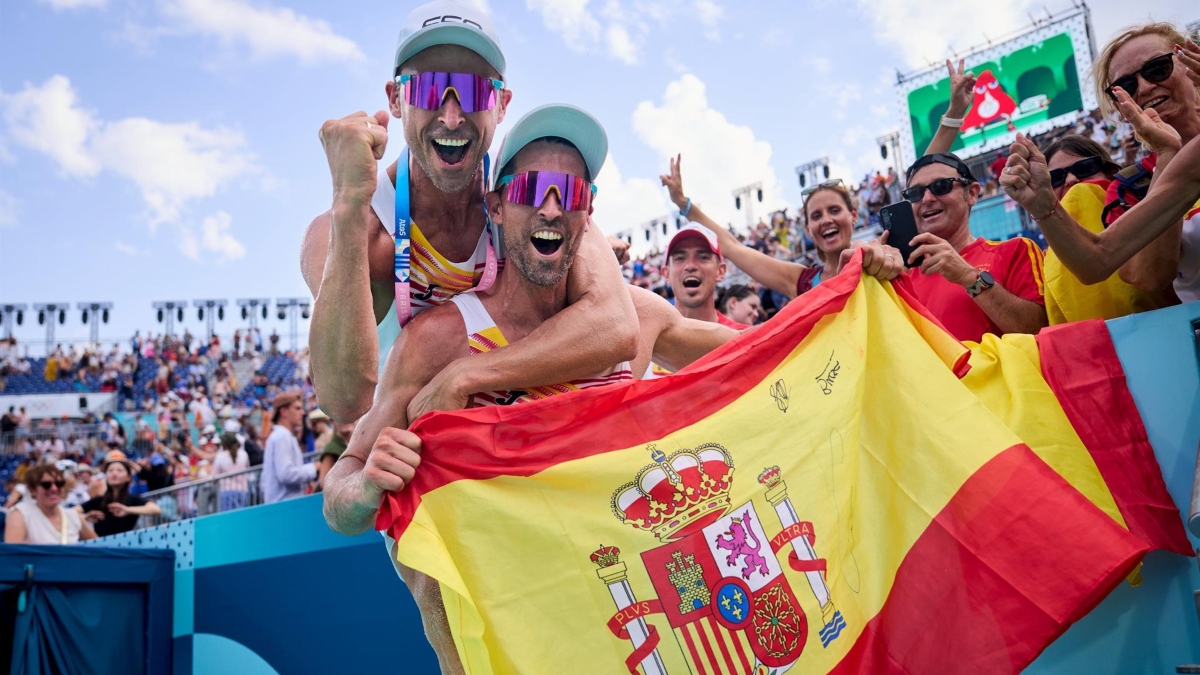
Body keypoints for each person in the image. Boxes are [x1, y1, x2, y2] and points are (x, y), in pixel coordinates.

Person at [323, 106, 738, 671]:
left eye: (570, 193)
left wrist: (864, 287)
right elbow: (339, 498)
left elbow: (764, 350)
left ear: (587, 214)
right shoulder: (442, 338)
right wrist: (369, 485)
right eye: (531, 188)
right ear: (496, 205)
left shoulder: (636, 318)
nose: (551, 207)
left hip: (627, 644)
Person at [301, 0, 637, 424]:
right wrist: (348, 204)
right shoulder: (363, 229)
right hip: (404, 446)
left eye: (475, 90)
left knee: (651, 310)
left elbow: (616, 325)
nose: (452, 115)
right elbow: (344, 400)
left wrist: (465, 376)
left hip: (504, 429)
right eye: (428, 89)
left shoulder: (527, 194)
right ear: (396, 99)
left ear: (501, 105)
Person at [659, 156, 903, 305]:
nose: (826, 220)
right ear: (807, 229)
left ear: (853, 215)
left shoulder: (874, 258)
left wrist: (875, 256)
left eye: (834, 210)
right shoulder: (801, 281)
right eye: (816, 216)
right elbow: (732, 247)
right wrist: (684, 204)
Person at [900, 152, 1047, 342]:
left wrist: (969, 278)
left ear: (971, 193)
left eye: (940, 186)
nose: (927, 199)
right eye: (916, 193)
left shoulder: (1015, 251)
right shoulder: (904, 279)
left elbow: (1041, 332)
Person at [1038, 135, 1176, 323]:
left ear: (1110, 174)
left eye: (1085, 168)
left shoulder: (1154, 203)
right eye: (1055, 178)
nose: (1071, 180)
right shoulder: (1044, 259)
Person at [5, 464, 96, 544]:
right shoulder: (20, 513)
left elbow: (99, 548)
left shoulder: (73, 516)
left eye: (59, 483)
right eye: (46, 484)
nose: (54, 488)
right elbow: (14, 554)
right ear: (32, 490)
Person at [80, 451, 162, 537]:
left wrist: (128, 510)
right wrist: (85, 517)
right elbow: (72, 513)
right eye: (110, 470)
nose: (114, 473)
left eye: (119, 470)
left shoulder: (133, 500)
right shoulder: (98, 501)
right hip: (100, 547)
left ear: (128, 477)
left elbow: (156, 509)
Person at [261, 392, 318, 504]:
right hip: (284, 507)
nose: (302, 413)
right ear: (284, 412)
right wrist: (314, 468)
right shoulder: (282, 436)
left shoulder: (283, 436)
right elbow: (286, 474)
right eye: (297, 408)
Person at [213, 431, 250, 512]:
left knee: (229, 521)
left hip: (226, 493)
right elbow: (247, 468)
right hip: (243, 492)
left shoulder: (220, 457)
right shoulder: (244, 454)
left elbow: (214, 477)